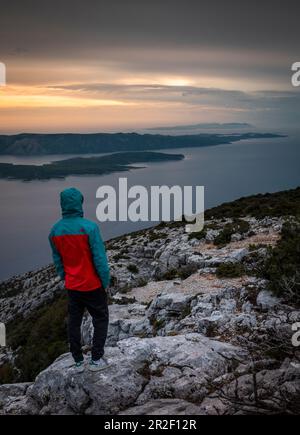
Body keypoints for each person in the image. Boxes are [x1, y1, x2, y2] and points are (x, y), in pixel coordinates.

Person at [49, 187, 110, 372]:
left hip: (73, 286)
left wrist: (66, 278)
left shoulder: (55, 231)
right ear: (79, 203)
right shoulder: (90, 227)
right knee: (100, 318)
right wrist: (105, 282)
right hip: (92, 285)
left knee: (74, 323)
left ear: (63, 204)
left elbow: (58, 261)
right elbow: (100, 259)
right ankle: (96, 360)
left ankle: (77, 361)